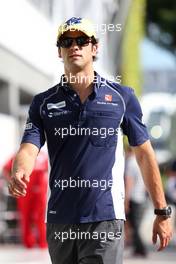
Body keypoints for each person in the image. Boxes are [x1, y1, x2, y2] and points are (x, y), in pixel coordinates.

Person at [8, 17, 172, 264]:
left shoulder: (122, 97)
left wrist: (162, 211)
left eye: (82, 40)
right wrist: (19, 170)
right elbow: (29, 148)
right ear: (59, 51)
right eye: (67, 41)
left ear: (94, 48)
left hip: (104, 220)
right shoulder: (43, 102)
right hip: (59, 220)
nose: (74, 46)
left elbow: (144, 154)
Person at [3, 151, 48, 248]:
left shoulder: (44, 157)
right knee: (26, 217)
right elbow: (6, 168)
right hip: (25, 192)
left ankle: (43, 243)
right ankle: (28, 243)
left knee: (41, 218)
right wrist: (13, 182)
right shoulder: (19, 155)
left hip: (41, 193)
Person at [124, 147, 147, 256]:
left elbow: (129, 182)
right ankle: (138, 249)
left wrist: (126, 200)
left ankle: (141, 249)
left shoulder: (130, 163)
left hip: (133, 197)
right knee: (135, 224)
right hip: (141, 197)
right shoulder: (140, 162)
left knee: (134, 225)